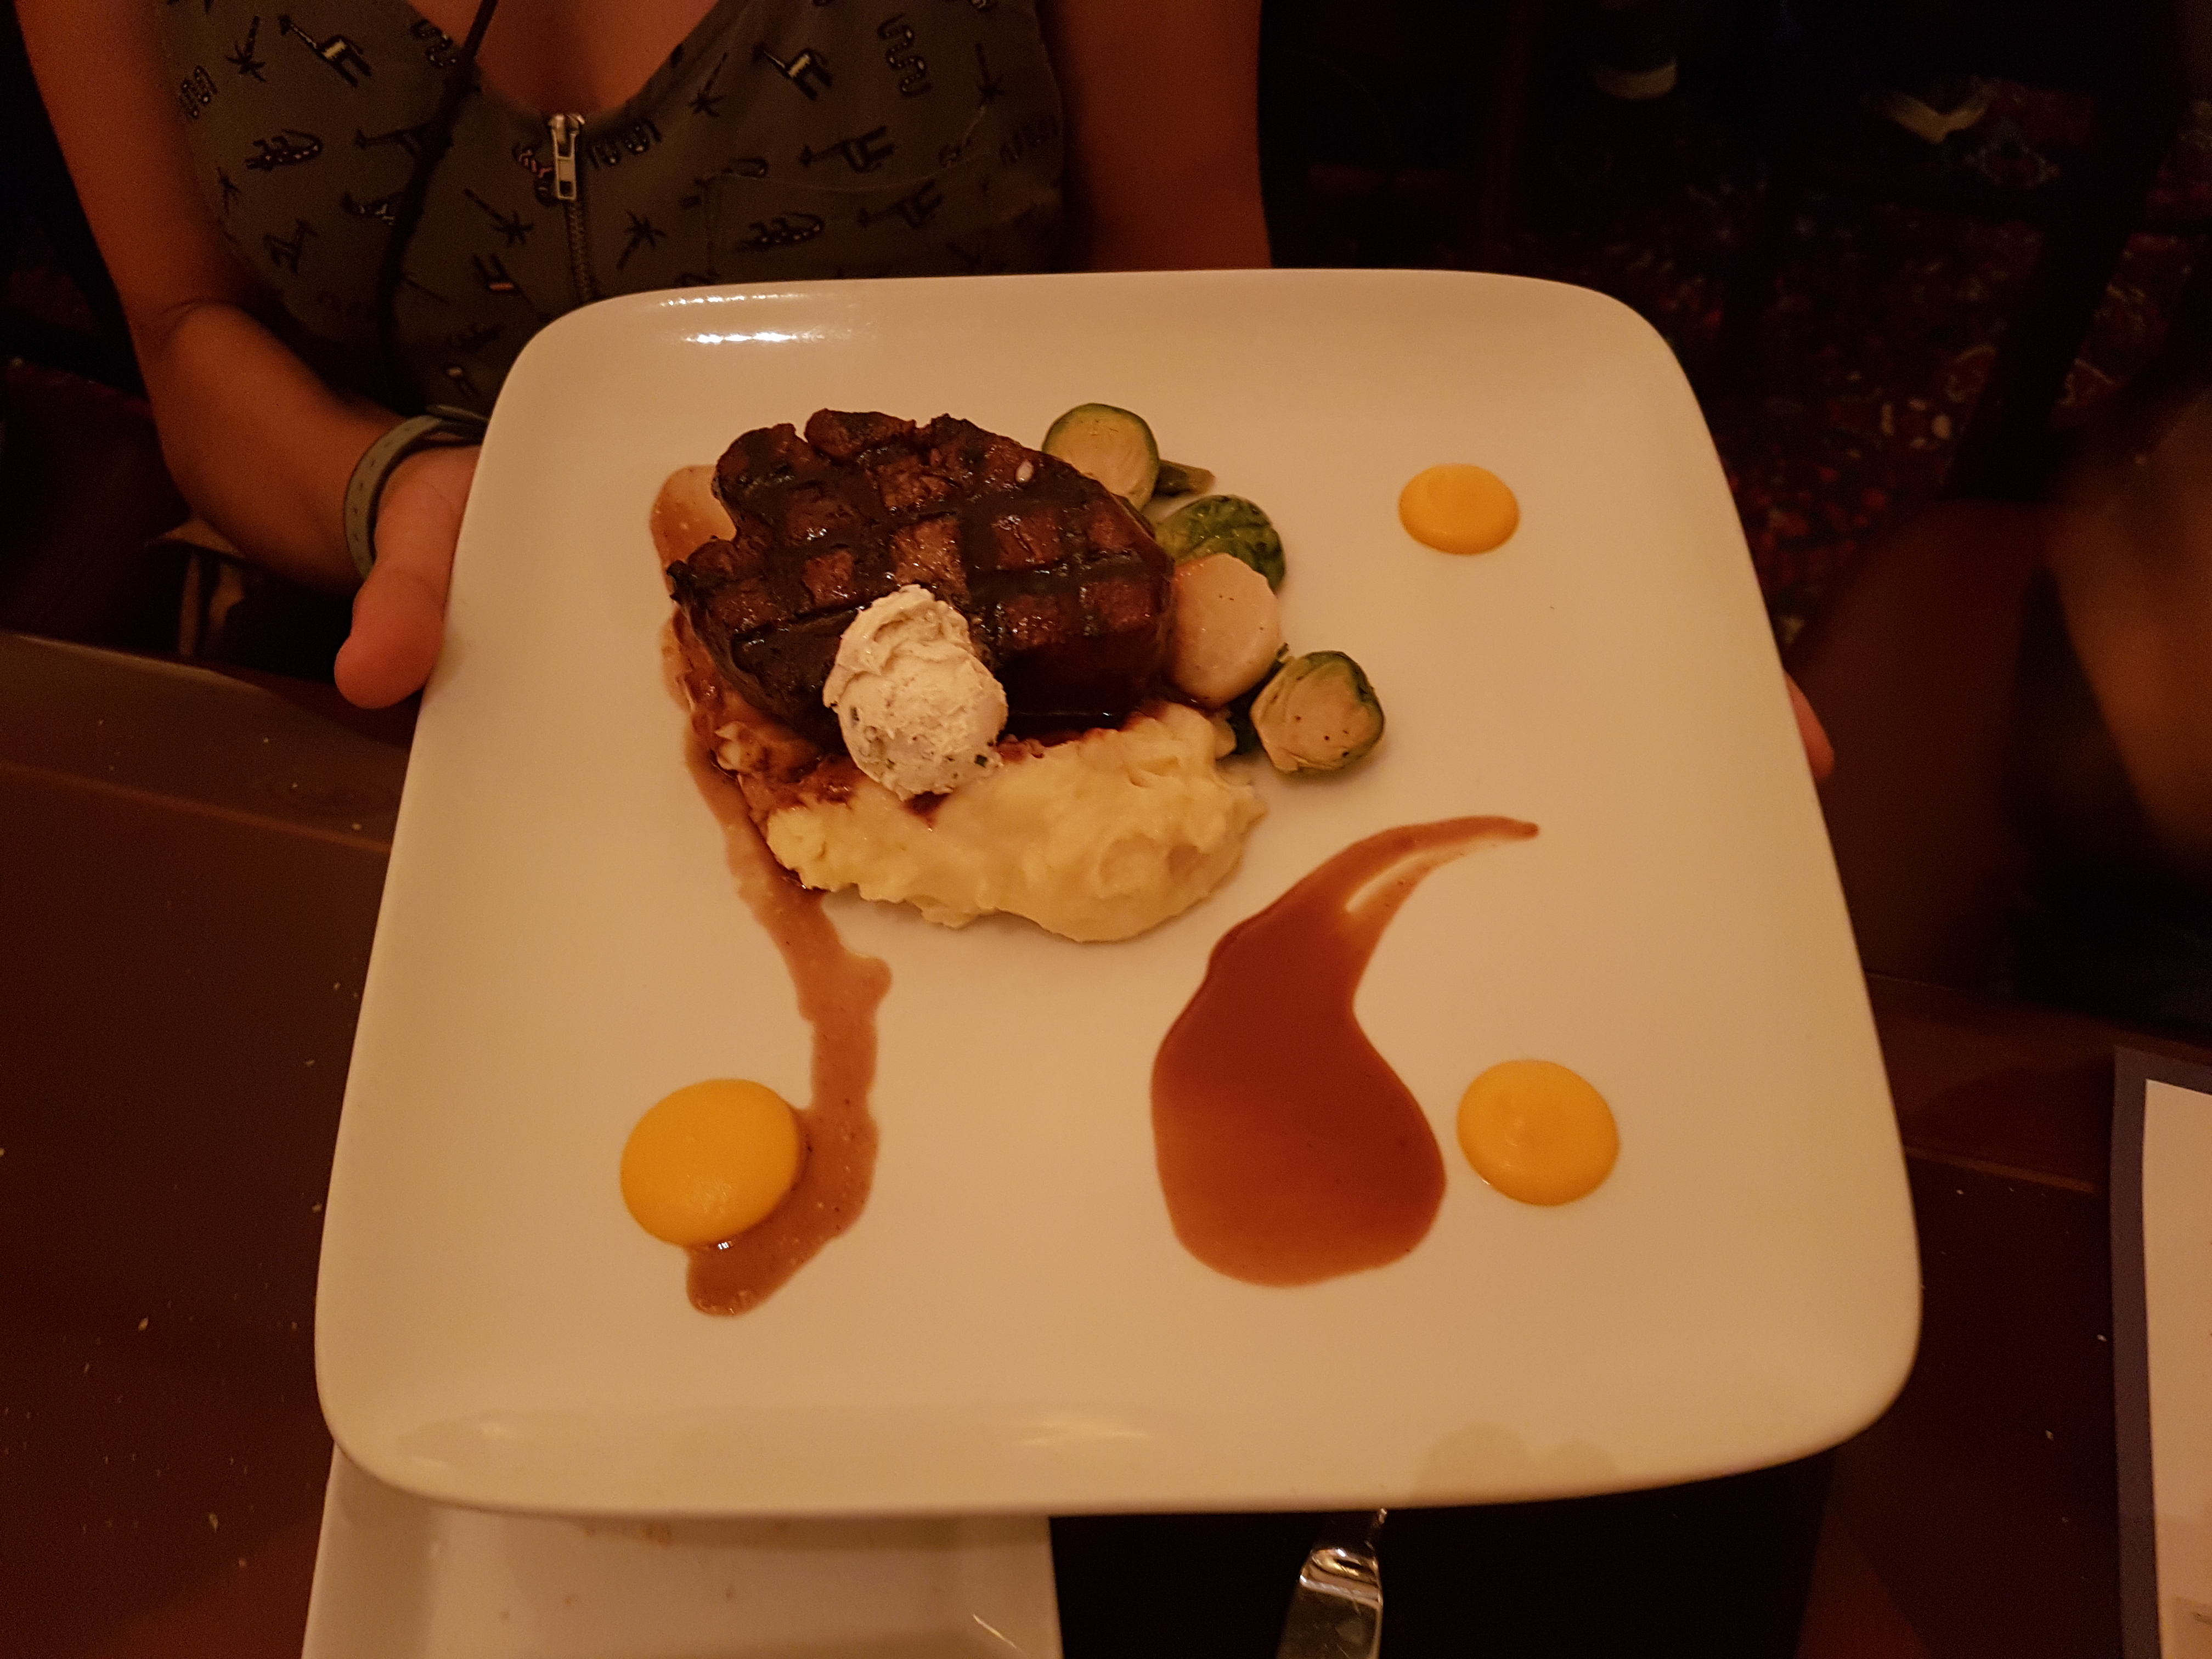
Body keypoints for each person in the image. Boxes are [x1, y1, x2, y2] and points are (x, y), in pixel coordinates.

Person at [21, 0, 1269, 707]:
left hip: (1036, 666)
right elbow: (185, 324)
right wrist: (388, 488)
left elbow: (1194, 298)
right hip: (411, 694)